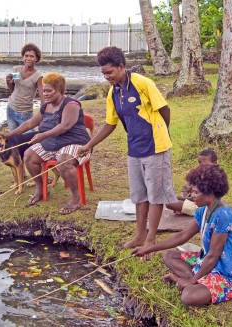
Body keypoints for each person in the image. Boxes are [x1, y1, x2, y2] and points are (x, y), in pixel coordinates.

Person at [78, 46, 176, 251]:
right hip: (134, 149)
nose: (106, 77)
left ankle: (151, 239)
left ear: (121, 66)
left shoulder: (143, 83)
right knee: (139, 195)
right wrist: (88, 145)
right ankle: (140, 235)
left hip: (156, 147)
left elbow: (164, 109)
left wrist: (162, 132)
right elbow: (110, 124)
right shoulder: (113, 92)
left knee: (156, 195)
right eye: (103, 73)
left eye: (109, 72)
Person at [132, 164, 232, 306]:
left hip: (228, 271)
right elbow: (182, 236)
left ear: (209, 193)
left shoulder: (223, 216)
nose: (191, 196)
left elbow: (213, 255)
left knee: (188, 297)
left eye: (196, 192)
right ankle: (196, 279)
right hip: (208, 262)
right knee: (169, 256)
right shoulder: (203, 211)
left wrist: (191, 282)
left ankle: (192, 281)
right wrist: (150, 248)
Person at [0, 72, 91, 214]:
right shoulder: (46, 106)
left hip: (76, 143)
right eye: (44, 90)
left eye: (49, 90)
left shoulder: (71, 104)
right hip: (53, 143)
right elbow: (30, 123)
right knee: (29, 156)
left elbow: (65, 126)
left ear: (60, 90)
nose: (45, 94)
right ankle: (41, 189)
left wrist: (42, 135)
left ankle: (75, 198)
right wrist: (10, 134)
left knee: (63, 160)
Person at [5, 43, 45, 131]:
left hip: (25, 113)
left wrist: (43, 114)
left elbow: (42, 96)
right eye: (26, 56)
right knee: (14, 138)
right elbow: (13, 89)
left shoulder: (38, 76)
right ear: (23, 57)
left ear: (36, 59)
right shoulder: (16, 70)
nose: (28, 59)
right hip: (11, 109)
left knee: (29, 139)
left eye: (32, 56)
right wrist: (8, 82)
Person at [166, 149, 218, 215]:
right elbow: (188, 187)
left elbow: (203, 198)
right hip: (197, 202)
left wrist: (185, 198)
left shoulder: (215, 177)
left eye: (204, 162)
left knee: (170, 203)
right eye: (199, 162)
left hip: (205, 207)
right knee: (175, 198)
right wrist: (189, 186)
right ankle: (184, 209)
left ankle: (197, 213)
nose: (201, 165)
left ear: (215, 163)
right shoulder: (201, 174)